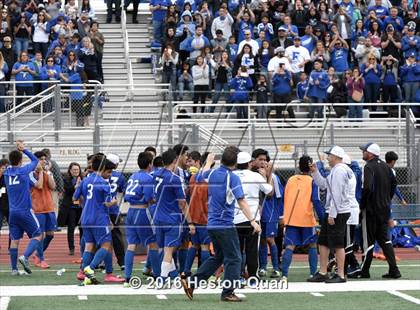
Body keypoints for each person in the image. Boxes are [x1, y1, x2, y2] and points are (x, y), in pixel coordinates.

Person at [181, 147, 262, 302]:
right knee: (235, 258)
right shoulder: (232, 178)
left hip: (212, 224)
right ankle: (228, 292)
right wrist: (252, 220)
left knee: (219, 257)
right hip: (224, 224)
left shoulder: (212, 173)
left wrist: (209, 161)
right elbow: (241, 200)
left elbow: (201, 175)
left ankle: (192, 282)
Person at [309, 146, 352, 283]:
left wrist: (332, 213)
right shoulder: (336, 170)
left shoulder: (339, 171)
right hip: (335, 210)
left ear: (335, 156)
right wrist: (315, 172)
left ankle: (340, 274)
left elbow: (336, 194)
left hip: (338, 211)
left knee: (338, 244)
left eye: (329, 155)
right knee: (323, 242)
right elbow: (323, 185)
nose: (327, 158)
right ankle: (323, 272)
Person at [358, 143, 401, 279]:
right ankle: (394, 269)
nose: (363, 152)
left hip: (371, 209)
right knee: (385, 240)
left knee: (368, 240)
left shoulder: (369, 166)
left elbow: (368, 187)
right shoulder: (386, 167)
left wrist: (363, 204)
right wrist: (387, 199)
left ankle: (365, 270)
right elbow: (394, 184)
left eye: (364, 150)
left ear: (370, 153)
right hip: (384, 209)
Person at [74, 154, 119, 284]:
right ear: (103, 168)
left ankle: (82, 272)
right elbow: (107, 203)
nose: (110, 175)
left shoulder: (85, 180)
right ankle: (90, 268)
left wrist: (88, 203)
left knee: (89, 246)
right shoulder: (104, 184)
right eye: (109, 172)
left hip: (86, 218)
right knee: (106, 244)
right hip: (99, 218)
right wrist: (114, 202)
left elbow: (75, 198)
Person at [153, 148, 193, 281]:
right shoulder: (174, 178)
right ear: (175, 160)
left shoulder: (155, 174)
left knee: (165, 249)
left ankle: (174, 276)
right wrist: (190, 222)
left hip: (158, 216)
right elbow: (183, 203)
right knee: (169, 250)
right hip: (171, 217)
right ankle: (162, 279)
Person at [282, 155, 324, 281]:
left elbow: (285, 197)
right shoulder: (312, 181)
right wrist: (322, 217)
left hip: (290, 218)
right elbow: (316, 200)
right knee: (312, 245)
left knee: (290, 246)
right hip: (306, 218)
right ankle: (312, 273)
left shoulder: (290, 179)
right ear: (311, 166)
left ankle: (284, 275)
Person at [234, 151, 273, 283]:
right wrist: (267, 175)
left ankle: (238, 276)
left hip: (234, 217)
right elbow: (269, 191)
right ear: (249, 163)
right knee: (252, 249)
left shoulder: (231, 176)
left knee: (237, 249)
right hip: (252, 218)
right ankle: (252, 276)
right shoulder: (254, 176)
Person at [124, 151, 161, 286]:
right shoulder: (148, 178)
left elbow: (127, 196)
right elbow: (149, 198)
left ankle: (127, 277)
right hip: (142, 212)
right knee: (153, 243)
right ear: (150, 164)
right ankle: (158, 276)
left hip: (131, 211)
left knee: (131, 245)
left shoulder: (133, 176)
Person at [5, 140, 41, 275]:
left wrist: (18, 152)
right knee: (38, 235)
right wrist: (23, 149)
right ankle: (25, 257)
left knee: (14, 241)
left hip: (12, 212)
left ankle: (14, 269)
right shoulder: (23, 170)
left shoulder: (8, 172)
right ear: (20, 160)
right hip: (25, 210)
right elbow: (35, 160)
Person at [252, 149, 283, 277]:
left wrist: (267, 175)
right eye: (260, 159)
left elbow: (270, 194)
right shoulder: (253, 174)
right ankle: (263, 267)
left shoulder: (274, 177)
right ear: (254, 160)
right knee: (262, 240)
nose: (263, 162)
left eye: (265, 160)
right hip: (258, 213)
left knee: (270, 239)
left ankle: (276, 268)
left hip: (270, 213)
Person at [183, 152, 211, 276]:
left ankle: (186, 270)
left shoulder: (193, 177)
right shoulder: (207, 178)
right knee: (204, 246)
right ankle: (203, 273)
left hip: (193, 215)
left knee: (194, 245)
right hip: (204, 216)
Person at [31, 151, 57, 269]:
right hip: (38, 208)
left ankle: (37, 254)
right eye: (41, 159)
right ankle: (41, 259)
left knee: (50, 234)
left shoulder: (46, 172)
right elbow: (39, 185)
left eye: (44, 159)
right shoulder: (30, 173)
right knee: (40, 235)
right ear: (35, 161)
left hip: (49, 207)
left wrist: (47, 172)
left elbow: (53, 186)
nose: (44, 161)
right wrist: (41, 171)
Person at [106, 154, 126, 270]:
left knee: (101, 237)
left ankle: (101, 262)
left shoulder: (99, 175)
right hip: (113, 209)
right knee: (117, 237)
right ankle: (122, 262)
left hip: (101, 209)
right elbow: (123, 190)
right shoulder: (119, 176)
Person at [58, 162, 83, 256]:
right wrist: (75, 187)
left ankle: (82, 246)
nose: (76, 171)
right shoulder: (66, 179)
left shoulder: (83, 179)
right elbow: (67, 190)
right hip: (71, 207)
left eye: (77, 169)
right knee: (71, 228)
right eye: (74, 170)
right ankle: (71, 248)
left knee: (82, 228)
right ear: (70, 170)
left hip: (80, 207)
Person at [0, 159, 9, 251]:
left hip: (10, 206)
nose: (5, 169)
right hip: (0, 206)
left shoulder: (10, 177)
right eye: (3, 167)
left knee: (13, 228)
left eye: (6, 167)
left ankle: (11, 247)